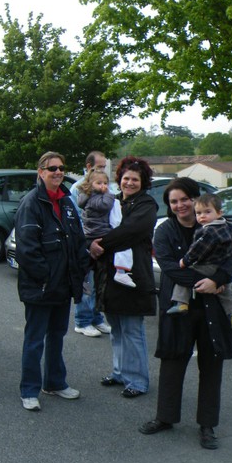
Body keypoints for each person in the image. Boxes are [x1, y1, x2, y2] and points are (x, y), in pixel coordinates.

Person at [139, 178, 232, 450]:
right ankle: (165, 417)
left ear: (196, 199)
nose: (180, 205)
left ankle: (207, 425)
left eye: (185, 199)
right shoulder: (164, 230)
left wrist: (217, 280)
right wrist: (204, 283)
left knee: (211, 365)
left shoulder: (216, 224)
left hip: (212, 307)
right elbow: (169, 266)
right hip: (178, 304)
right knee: (172, 361)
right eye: (174, 201)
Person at [15, 152, 88, 411]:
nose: (58, 172)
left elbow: (78, 240)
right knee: (35, 340)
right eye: (52, 168)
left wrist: (80, 269)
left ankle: (55, 383)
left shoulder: (67, 201)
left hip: (63, 285)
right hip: (42, 287)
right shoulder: (31, 203)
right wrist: (46, 277)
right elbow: (27, 250)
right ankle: (29, 390)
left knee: (57, 336)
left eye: (61, 168)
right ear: (41, 172)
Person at [89, 157, 157, 399]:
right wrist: (90, 244)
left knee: (132, 330)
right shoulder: (114, 200)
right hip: (109, 275)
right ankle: (119, 372)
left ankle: (137, 380)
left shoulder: (147, 205)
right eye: (126, 178)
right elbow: (93, 222)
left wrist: (100, 244)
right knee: (116, 329)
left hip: (133, 277)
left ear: (143, 182)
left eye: (135, 179)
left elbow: (130, 232)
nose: (129, 183)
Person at [166, 193, 232, 328]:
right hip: (221, 265)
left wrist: (185, 261)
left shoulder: (207, 232)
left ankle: (181, 303)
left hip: (205, 265)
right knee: (227, 291)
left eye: (207, 212)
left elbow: (197, 250)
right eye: (198, 213)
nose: (202, 216)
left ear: (219, 213)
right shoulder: (229, 226)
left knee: (182, 281)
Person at [70, 151, 110, 337]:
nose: (102, 170)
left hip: (102, 240)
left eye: (104, 167)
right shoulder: (78, 188)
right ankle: (82, 321)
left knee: (98, 282)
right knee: (87, 283)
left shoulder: (105, 185)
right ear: (88, 167)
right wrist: (86, 242)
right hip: (86, 240)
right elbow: (76, 217)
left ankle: (96, 318)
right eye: (99, 167)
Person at [78, 169, 136, 288]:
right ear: (90, 184)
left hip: (93, 231)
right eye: (99, 183)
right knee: (122, 245)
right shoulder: (94, 197)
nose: (103, 186)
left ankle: (85, 277)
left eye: (105, 183)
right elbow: (105, 205)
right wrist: (110, 195)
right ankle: (120, 271)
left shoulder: (89, 197)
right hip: (99, 231)